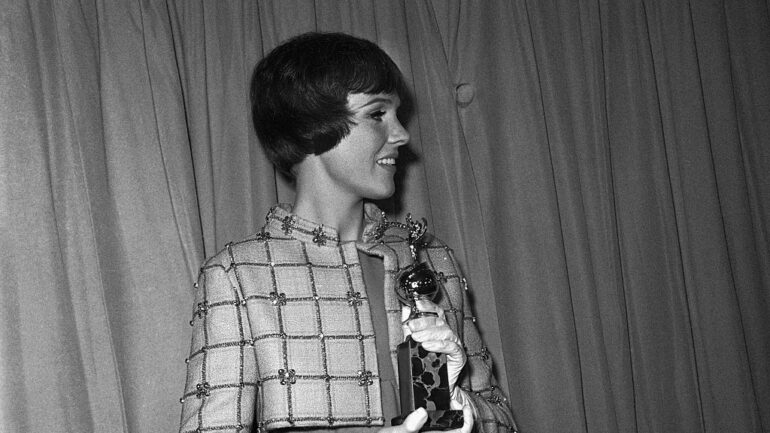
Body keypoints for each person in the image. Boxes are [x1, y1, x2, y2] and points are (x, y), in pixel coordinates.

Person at [179, 32, 517, 433]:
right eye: (377, 114)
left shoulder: (429, 258)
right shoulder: (239, 275)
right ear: (312, 127)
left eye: (397, 114)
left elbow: (501, 416)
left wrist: (462, 408)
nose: (402, 134)